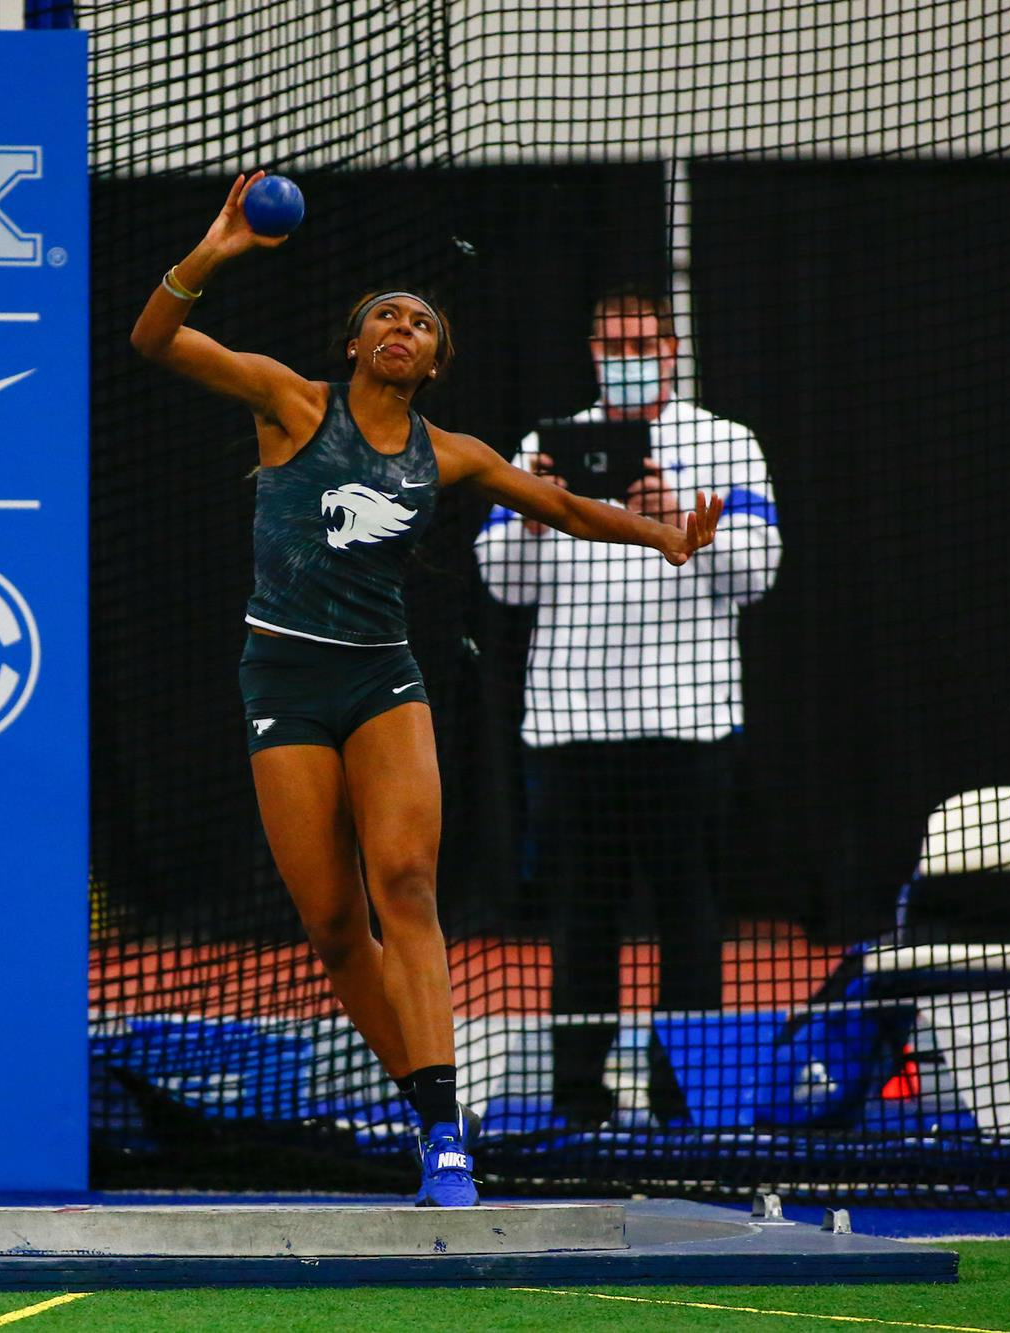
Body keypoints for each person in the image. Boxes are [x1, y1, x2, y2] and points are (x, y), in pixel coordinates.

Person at [131, 177, 724, 1204]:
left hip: (380, 677)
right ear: (354, 346)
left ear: (436, 361)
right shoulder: (289, 403)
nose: (402, 328)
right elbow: (154, 343)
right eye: (384, 319)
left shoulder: (449, 454)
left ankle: (444, 1132)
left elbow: (564, 506)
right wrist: (214, 250)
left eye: (421, 323)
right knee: (327, 924)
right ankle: (419, 1094)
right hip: (280, 672)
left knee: (403, 883)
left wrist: (668, 537)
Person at [473, 287, 782, 1129]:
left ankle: (686, 1104)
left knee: (691, 922)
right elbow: (499, 580)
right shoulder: (546, 445)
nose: (629, 355)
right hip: (572, 729)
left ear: (673, 349)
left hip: (689, 727)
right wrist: (538, 517)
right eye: (614, 342)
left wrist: (669, 514)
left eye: (644, 341)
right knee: (581, 929)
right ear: (592, 349)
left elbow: (759, 573)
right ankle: (579, 1103)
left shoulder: (724, 443)